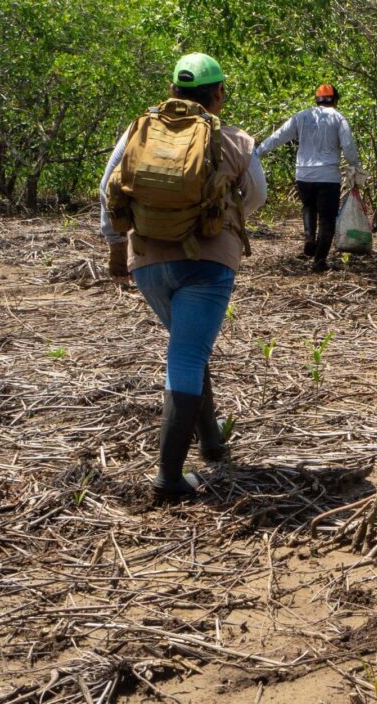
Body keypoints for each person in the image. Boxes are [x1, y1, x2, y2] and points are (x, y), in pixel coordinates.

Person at [99, 53, 267, 501]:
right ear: (218, 94)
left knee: (188, 347)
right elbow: (257, 196)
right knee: (188, 356)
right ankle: (168, 480)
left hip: (148, 259)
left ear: (173, 91)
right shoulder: (233, 140)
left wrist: (118, 243)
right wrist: (219, 222)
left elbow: (107, 188)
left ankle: (212, 443)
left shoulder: (138, 133)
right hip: (208, 263)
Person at [256, 83, 361, 273]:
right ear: (336, 100)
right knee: (327, 219)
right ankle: (319, 260)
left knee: (308, 206)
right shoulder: (338, 118)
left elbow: (279, 136)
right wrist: (355, 165)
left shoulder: (302, 116)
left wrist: (257, 152)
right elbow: (348, 145)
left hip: (303, 174)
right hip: (328, 176)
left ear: (317, 99)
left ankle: (309, 237)